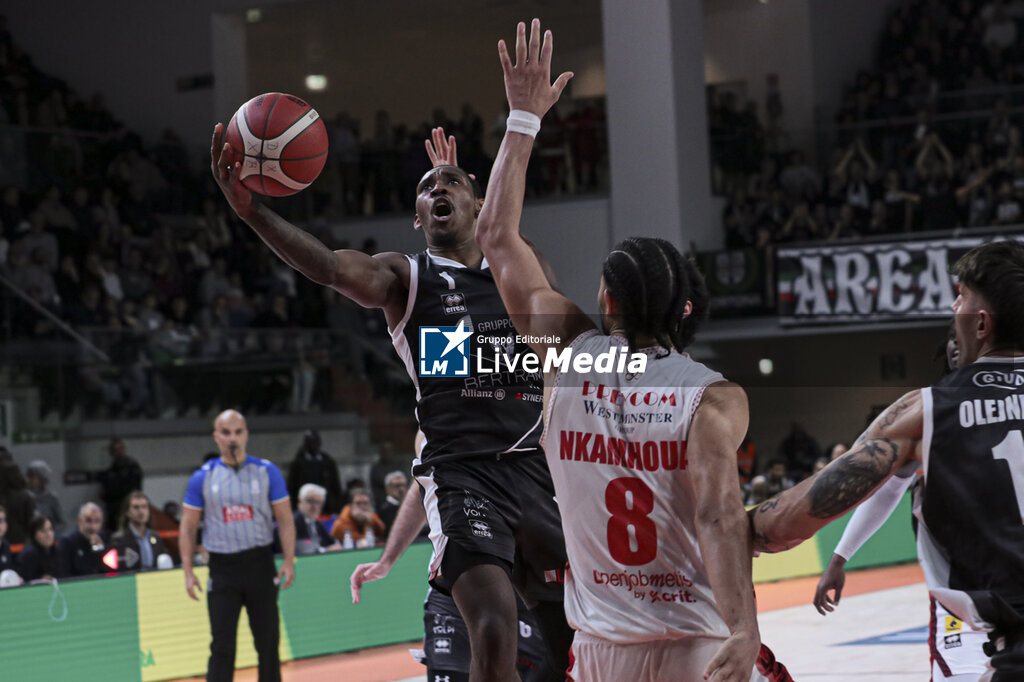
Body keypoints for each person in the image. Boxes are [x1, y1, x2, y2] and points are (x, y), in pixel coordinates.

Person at [211, 82, 572, 679]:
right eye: (427, 188)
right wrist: (254, 213)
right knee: (491, 630)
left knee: (575, 646)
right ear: (416, 217)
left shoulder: (522, 271)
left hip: (539, 473)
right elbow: (329, 266)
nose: (438, 190)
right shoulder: (406, 278)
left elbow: (506, 232)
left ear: (482, 205)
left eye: (451, 184)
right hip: (463, 476)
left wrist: (488, 175)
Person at [474, 19, 785, 682]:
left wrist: (524, 119)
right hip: (696, 644)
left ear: (606, 301)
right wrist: (744, 627)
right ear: (686, 309)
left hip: (599, 652)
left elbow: (495, 236)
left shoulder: (565, 352)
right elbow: (718, 514)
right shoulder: (714, 399)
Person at [751, 240, 1024, 680]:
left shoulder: (923, 412)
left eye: (960, 298)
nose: (952, 308)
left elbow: (785, 523)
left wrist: (728, 529)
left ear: (981, 324)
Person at [813, 332, 989, 681]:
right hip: (961, 587)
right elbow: (887, 491)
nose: (957, 343)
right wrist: (839, 557)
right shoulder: (927, 410)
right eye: (952, 337)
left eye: (965, 333)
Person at [178, 409, 296, 682]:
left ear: (246, 435)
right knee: (222, 645)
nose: (233, 438)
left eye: (238, 432)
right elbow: (187, 526)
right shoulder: (203, 477)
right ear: (216, 437)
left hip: (260, 564)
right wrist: (187, 571)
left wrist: (289, 561)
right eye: (226, 432)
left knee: (268, 641)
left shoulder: (267, 471)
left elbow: (285, 519)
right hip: (223, 569)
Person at [286, 429, 343, 514]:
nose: (313, 445)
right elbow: (292, 487)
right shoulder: (297, 463)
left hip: (327, 508)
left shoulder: (328, 462)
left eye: (315, 441)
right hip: (303, 508)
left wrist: (336, 506)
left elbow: (335, 486)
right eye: (310, 442)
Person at [111, 491, 169, 571]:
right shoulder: (119, 539)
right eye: (136, 507)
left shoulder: (155, 536)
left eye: (144, 507)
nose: (141, 511)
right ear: (127, 512)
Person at [277, 483, 340, 554]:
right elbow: (301, 548)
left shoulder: (317, 524)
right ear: (300, 501)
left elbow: (331, 543)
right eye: (311, 501)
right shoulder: (292, 523)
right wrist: (326, 549)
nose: (314, 506)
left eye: (319, 502)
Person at [96, 437, 143, 531]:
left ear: (123, 449)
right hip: (113, 511)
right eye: (114, 450)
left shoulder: (132, 467)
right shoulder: (111, 470)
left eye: (119, 449)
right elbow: (105, 491)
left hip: (127, 509)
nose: (117, 452)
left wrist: (112, 491)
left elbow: (132, 489)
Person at [56, 502, 108, 577]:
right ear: (80, 520)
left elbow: (108, 571)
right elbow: (63, 574)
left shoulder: (105, 539)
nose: (93, 527)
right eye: (88, 520)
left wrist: (100, 550)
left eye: (97, 521)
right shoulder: (67, 542)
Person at [16, 515, 62, 582]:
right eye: (43, 530)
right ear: (33, 534)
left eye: (50, 529)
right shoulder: (29, 554)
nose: (48, 534)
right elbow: (27, 582)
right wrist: (40, 580)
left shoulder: (56, 550)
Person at [25, 460, 65, 536]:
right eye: (29, 476)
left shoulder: (51, 498)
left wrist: (50, 534)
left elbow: (61, 524)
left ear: (42, 479)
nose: (30, 479)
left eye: (33, 476)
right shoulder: (24, 498)